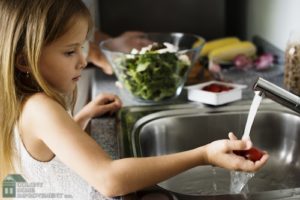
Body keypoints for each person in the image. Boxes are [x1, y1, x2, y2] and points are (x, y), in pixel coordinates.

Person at [0, 0, 269, 199]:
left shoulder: (25, 102)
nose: (83, 60)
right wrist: (204, 155)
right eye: (70, 52)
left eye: (82, 47)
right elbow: (110, 179)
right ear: (25, 59)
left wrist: (80, 118)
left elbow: (45, 155)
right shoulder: (41, 108)